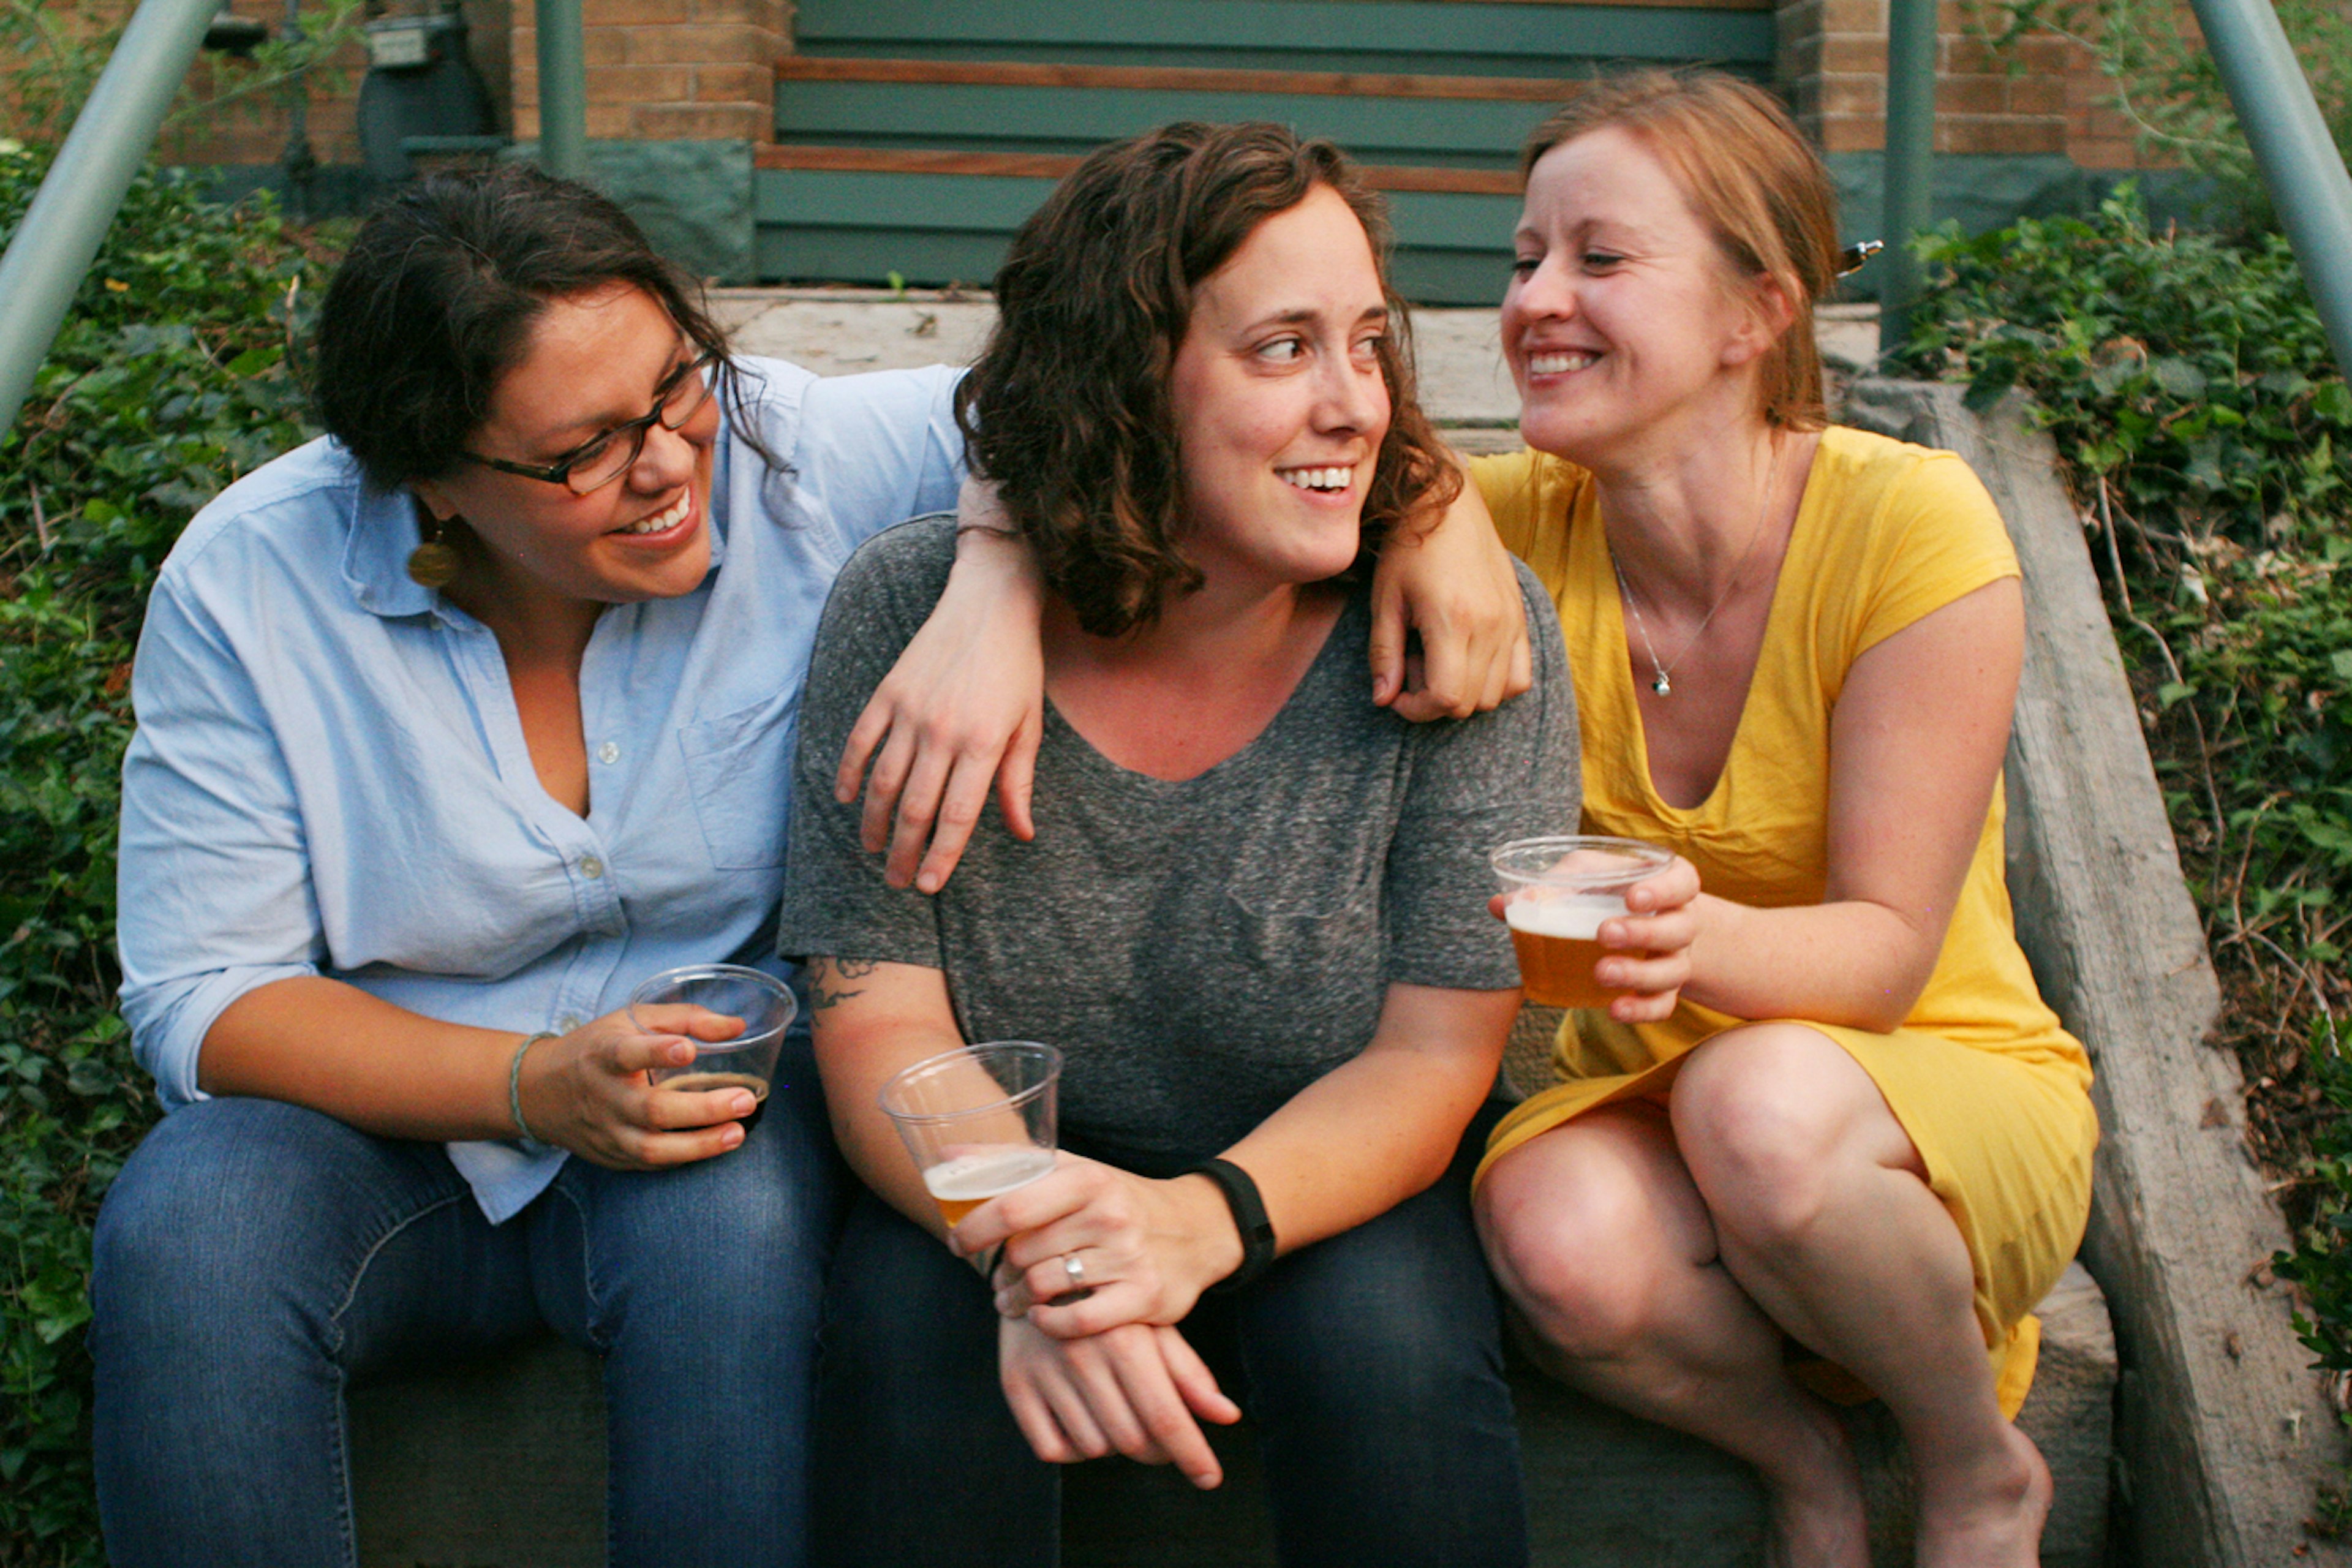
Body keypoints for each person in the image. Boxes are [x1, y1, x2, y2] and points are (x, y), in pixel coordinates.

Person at [89, 162, 1530, 1567]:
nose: (667, 464)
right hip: (389, 1124)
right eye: (582, 451)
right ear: (435, 484)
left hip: (708, 1106)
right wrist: (530, 1085)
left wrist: (1423, 505)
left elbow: (1073, 392)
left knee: (723, 1197)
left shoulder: (780, 450)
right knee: (193, 1219)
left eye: (676, 384)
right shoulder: (253, 583)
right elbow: (204, 995)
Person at [780, 121, 1580, 1568]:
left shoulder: (1459, 633)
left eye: (1369, 344)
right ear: (1129, 379)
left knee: (1387, 1349)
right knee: (914, 1333)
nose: (1357, 407)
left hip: (1320, 1168)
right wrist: (1051, 1250)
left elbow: (1435, 1056)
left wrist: (1200, 1224)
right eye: (1283, 349)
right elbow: (879, 1025)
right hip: (988, 1165)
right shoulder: (912, 617)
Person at [1464, 73, 2098, 1568]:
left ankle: (1972, 1467)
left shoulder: (1909, 522)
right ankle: (1802, 1461)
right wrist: (987, 571)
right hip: (1658, 1100)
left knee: (1760, 1107)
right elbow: (1201, 458)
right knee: (1547, 1236)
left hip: (1923, 1085)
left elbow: (1883, 956)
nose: (1538, 299)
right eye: (1522, 257)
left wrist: (1690, 937)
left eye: (1599, 259)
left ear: (1757, 313)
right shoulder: (1502, 523)